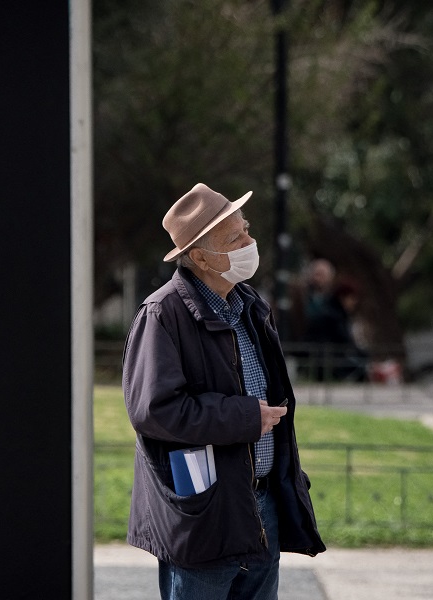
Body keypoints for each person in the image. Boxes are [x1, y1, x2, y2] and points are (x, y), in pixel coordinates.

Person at [122, 183, 325, 600]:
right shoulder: (162, 314)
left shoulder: (250, 304)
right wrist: (247, 417)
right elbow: (155, 411)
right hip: (205, 515)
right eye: (235, 238)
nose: (250, 242)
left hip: (261, 506)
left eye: (246, 230)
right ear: (199, 257)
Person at [293, 259, 366, 381]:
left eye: (323, 275)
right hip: (315, 352)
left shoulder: (331, 302)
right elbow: (343, 338)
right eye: (317, 274)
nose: (319, 279)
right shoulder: (302, 297)